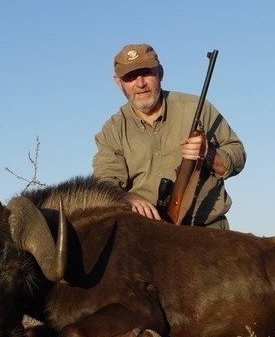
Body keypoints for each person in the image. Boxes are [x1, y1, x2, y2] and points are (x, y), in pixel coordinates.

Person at [92, 43, 246, 229]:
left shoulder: (198, 107)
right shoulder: (112, 130)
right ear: (118, 82)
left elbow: (238, 156)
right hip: (149, 233)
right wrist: (126, 198)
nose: (140, 84)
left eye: (147, 73)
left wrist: (208, 154)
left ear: (160, 73)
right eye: (130, 77)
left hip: (208, 230)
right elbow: (104, 182)